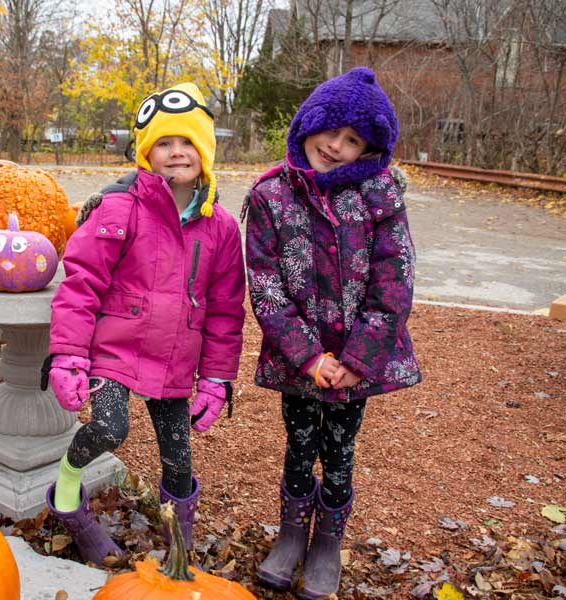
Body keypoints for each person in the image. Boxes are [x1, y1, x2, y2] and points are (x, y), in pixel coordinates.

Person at [40, 82, 246, 565]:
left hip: (175, 358)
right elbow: (81, 284)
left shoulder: (220, 228)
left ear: (206, 150)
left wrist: (216, 379)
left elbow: (225, 309)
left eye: (187, 142)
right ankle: (69, 490)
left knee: (178, 459)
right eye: (164, 143)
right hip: (114, 350)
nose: (177, 152)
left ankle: (178, 542)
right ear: (146, 153)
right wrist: (69, 355)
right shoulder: (119, 209)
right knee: (110, 428)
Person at [243, 67, 421, 599]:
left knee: (339, 449)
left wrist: (356, 357)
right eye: (331, 132)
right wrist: (307, 355)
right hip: (300, 358)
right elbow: (266, 283)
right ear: (308, 124)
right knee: (299, 443)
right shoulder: (271, 195)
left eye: (353, 140)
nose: (337, 146)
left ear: (368, 149)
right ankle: (292, 533)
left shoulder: (379, 196)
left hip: (353, 360)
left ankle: (326, 543)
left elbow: (396, 281)